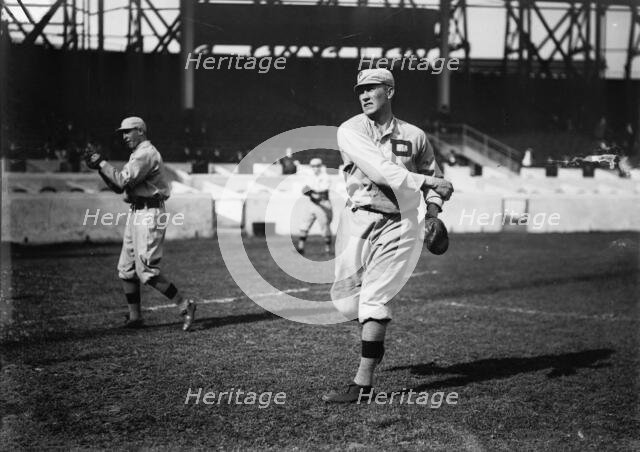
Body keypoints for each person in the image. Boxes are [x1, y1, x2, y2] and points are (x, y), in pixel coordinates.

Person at [323, 69, 453, 403]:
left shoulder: (415, 135)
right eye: (360, 91)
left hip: (401, 224)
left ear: (390, 92)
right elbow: (381, 170)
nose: (364, 95)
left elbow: (432, 174)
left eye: (372, 89)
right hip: (358, 220)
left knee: (374, 300)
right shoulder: (351, 130)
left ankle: (362, 383)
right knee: (344, 301)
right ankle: (373, 342)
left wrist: (435, 214)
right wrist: (430, 185)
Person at [84, 116, 196, 331]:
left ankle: (185, 304)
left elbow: (121, 181)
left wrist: (102, 163)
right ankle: (135, 317)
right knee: (126, 269)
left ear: (141, 131)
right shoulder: (137, 154)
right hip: (137, 211)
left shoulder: (146, 154)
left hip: (151, 213)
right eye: (122, 133)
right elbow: (119, 187)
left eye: (128, 132)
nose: (124, 137)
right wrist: (100, 168)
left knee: (146, 270)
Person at [296, 158, 333, 255]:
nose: (315, 168)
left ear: (320, 166)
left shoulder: (325, 177)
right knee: (304, 225)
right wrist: (310, 193)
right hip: (312, 203)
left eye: (317, 166)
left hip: (323, 203)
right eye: (313, 166)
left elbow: (322, 192)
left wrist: (310, 192)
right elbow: (305, 190)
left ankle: (328, 249)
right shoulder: (310, 176)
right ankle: (300, 248)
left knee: (325, 227)